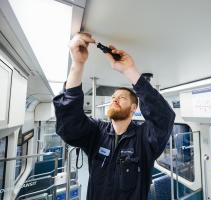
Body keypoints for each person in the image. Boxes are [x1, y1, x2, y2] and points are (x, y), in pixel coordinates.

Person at [53, 32, 175, 200]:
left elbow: (164, 117)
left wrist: (129, 71)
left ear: (133, 108)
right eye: (112, 98)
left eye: (121, 98)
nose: (114, 100)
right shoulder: (97, 132)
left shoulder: (144, 138)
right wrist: (77, 65)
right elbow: (69, 126)